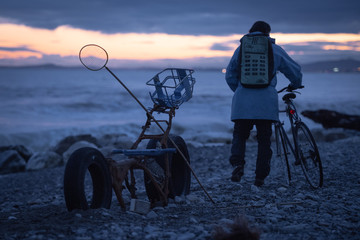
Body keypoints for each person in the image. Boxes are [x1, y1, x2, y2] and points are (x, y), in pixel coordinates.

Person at [225, 21, 302, 186]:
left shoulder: (241, 49)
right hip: (266, 102)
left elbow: (230, 75)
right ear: (268, 33)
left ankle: (237, 164)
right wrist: (295, 84)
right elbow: (294, 70)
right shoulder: (274, 49)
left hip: (242, 101)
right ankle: (260, 176)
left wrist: (239, 90)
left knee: (239, 135)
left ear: (250, 32)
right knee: (264, 139)